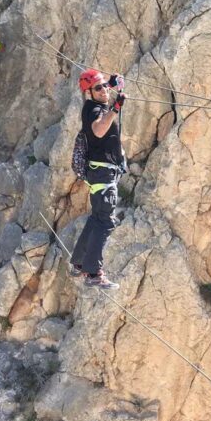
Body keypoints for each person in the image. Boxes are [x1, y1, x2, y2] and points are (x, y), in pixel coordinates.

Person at [70, 68, 126, 289]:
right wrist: (115, 109)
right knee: (105, 221)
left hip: (100, 172)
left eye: (105, 86)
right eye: (99, 88)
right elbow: (99, 130)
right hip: (103, 173)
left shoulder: (96, 102)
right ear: (89, 92)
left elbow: (102, 89)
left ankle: (79, 262)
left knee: (97, 218)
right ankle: (93, 272)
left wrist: (112, 83)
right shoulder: (93, 109)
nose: (104, 90)